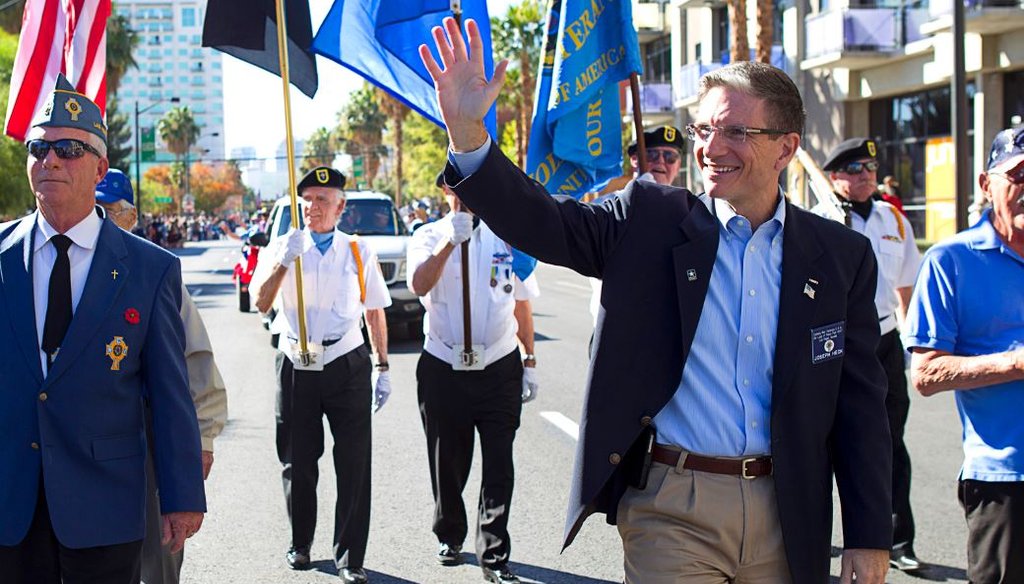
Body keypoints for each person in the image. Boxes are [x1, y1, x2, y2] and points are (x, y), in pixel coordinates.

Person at [421, 20, 892, 584]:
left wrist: (868, 537)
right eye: (702, 130)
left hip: (790, 514)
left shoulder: (841, 256)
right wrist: (468, 133)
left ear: (785, 147)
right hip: (673, 510)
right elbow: (544, 224)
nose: (709, 149)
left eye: (735, 132)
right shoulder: (648, 218)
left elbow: (861, 409)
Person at [0, 74, 206, 584]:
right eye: (38, 148)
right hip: (10, 496)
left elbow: (168, 393)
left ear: (100, 167)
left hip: (105, 499)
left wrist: (180, 497)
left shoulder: (148, 268)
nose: (49, 160)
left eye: (67, 149)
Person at [250, 166, 391, 584]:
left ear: (341, 207)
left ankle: (350, 557)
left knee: (353, 463)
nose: (313, 207)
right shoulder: (282, 246)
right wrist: (282, 263)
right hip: (296, 363)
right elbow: (260, 303)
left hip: (346, 361)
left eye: (323, 200)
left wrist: (382, 366)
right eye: (307, 199)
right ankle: (300, 543)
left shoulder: (357, 250)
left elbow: (375, 310)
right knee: (297, 460)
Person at [94, 169, 229, 584]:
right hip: (83, 451)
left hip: (150, 444)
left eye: (108, 210)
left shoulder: (153, 273)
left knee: (159, 565)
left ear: (131, 217)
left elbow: (196, 362)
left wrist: (201, 442)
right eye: (93, 207)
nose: (96, 217)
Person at [903, 125, 1024, 584]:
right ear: (986, 184)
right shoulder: (952, 260)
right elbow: (927, 373)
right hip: (1006, 480)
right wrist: (1016, 362)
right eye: (1020, 175)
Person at [407, 177, 540, 584]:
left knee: (499, 460)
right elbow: (419, 284)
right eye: (455, 190)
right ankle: (449, 532)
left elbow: (520, 302)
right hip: (444, 364)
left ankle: (495, 554)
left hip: (499, 363)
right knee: (448, 459)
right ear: (444, 193)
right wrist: (451, 243)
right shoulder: (427, 235)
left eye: (471, 189)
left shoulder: (507, 238)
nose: (463, 198)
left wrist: (530, 358)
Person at [812, 139, 923, 571]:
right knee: (819, 443)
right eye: (855, 168)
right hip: (830, 342)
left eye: (871, 168)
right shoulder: (819, 218)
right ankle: (814, 534)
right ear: (835, 174)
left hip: (883, 339)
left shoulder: (892, 218)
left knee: (890, 441)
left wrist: (913, 342)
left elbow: (906, 285)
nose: (865, 175)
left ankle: (898, 540)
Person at [591, 126, 685, 324]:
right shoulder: (608, 207)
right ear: (635, 159)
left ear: (678, 165)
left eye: (670, 157)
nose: (661, 161)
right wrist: (642, 199)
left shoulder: (687, 212)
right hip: (617, 329)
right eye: (651, 154)